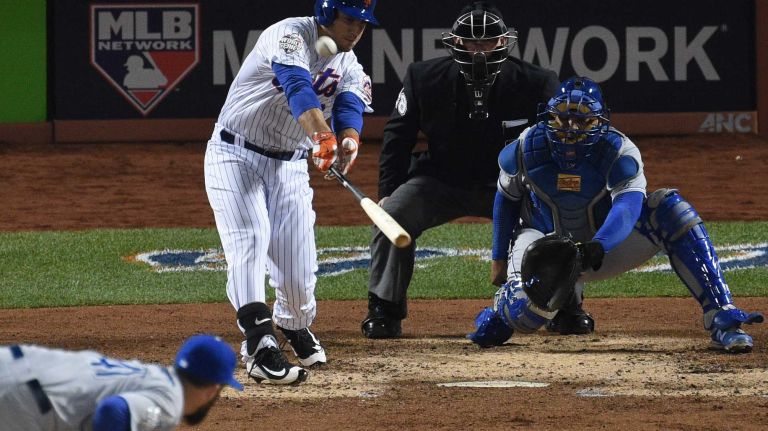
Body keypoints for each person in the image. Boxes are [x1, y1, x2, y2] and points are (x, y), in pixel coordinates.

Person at [467, 76, 764, 353]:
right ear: (550, 116)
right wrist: (498, 258)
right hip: (541, 249)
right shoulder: (526, 146)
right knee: (522, 314)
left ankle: (723, 318)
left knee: (671, 208)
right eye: (564, 119)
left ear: (599, 121)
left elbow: (628, 206)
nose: (571, 128)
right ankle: (515, 311)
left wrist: (599, 245)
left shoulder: (619, 151)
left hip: (600, 248)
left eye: (582, 120)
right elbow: (506, 200)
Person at [361, 1, 559, 339]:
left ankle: (563, 305)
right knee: (391, 216)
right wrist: (387, 193)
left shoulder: (537, 82)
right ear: (455, 42)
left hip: (510, 185)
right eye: (471, 41)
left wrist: (555, 196)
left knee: (560, 218)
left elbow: (555, 143)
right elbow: (397, 137)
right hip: (441, 180)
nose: (479, 50)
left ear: (503, 42)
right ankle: (384, 309)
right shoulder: (423, 77)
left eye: (487, 41)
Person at [204, 0, 377, 383]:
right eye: (349, 20)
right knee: (250, 239)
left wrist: (348, 142)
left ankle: (293, 324)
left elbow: (349, 107)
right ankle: (259, 344)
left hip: (290, 166)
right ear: (327, 13)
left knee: (298, 274)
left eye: (363, 24)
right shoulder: (289, 35)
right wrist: (322, 136)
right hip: (235, 153)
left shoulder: (349, 65)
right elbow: (298, 86)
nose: (355, 30)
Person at [0, 334, 242, 430]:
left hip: (12, 363)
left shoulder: (150, 375)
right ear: (213, 389)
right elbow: (113, 411)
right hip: (20, 401)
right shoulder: (170, 400)